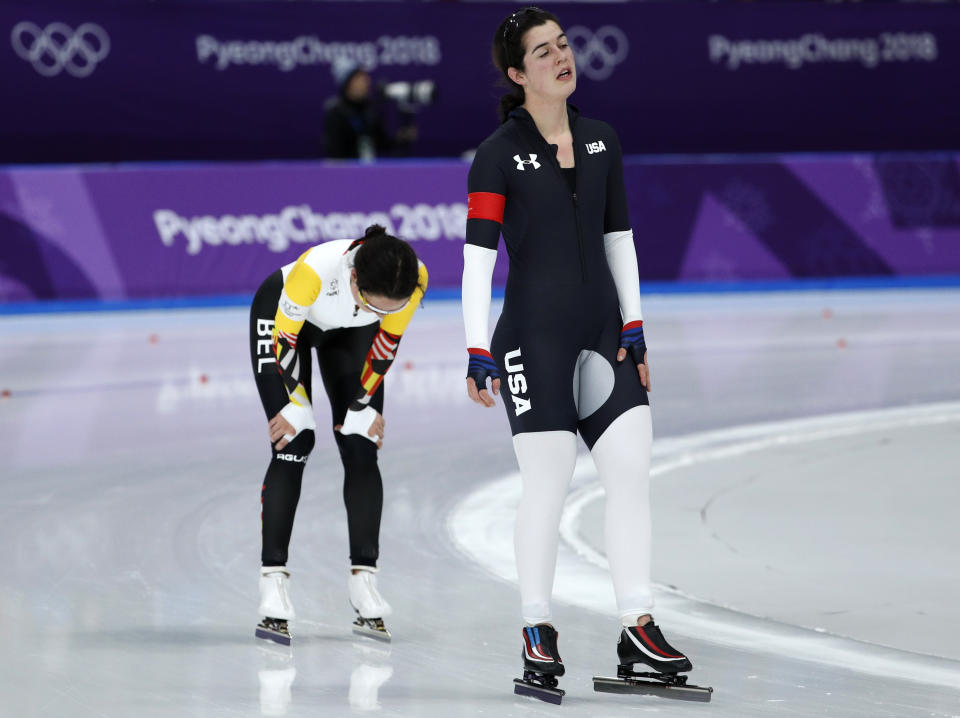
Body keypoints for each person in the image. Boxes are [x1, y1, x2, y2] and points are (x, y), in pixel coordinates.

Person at [462, 6, 695, 700]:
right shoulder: (496, 153)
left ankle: (637, 624)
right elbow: (478, 259)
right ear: (516, 72)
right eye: (543, 52)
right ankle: (537, 629)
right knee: (549, 481)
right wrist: (477, 348)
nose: (561, 56)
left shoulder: (602, 140)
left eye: (563, 44)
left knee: (630, 468)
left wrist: (636, 326)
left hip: (603, 333)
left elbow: (619, 237)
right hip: (531, 341)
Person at [250, 224, 428, 645]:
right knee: (295, 440)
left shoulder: (411, 279)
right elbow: (284, 341)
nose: (388, 313)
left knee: (361, 441)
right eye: (377, 306)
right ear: (353, 280)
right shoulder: (314, 271)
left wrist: (361, 403)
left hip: (349, 333)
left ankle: (364, 580)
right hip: (284, 325)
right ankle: (272, 581)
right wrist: (292, 404)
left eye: (394, 308)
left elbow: (386, 345)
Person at [322, 59, 417, 160]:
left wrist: (401, 139)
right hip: (346, 172)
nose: (366, 83)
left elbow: (381, 143)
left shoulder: (371, 109)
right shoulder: (336, 113)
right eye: (360, 79)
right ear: (348, 84)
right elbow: (334, 153)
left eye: (365, 78)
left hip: (370, 171)